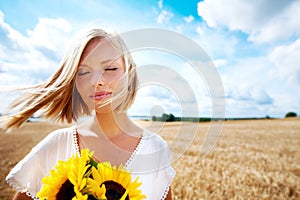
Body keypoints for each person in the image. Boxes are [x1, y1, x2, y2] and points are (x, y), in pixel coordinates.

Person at [1, 28, 175, 199]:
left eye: (110, 69)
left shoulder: (155, 149)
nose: (95, 81)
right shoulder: (57, 145)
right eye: (83, 72)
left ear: (129, 73)